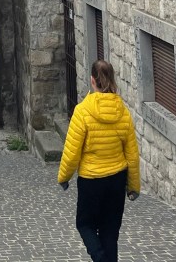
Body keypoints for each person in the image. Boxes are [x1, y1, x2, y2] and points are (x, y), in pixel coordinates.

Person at [57, 59, 140, 262]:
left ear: (92, 80)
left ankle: (100, 258)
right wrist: (133, 186)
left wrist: (64, 177)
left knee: (84, 225)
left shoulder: (82, 111)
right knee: (110, 232)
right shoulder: (123, 112)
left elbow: (72, 151)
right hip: (117, 180)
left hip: (91, 181)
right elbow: (132, 153)